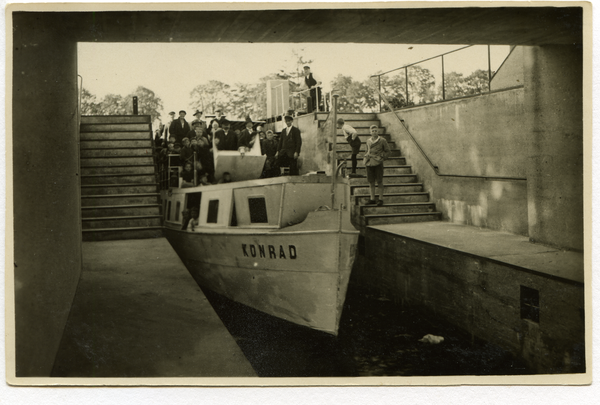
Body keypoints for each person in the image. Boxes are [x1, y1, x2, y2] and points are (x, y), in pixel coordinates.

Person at [363, 125, 390, 206]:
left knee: (379, 181)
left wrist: (381, 157)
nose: (374, 132)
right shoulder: (368, 141)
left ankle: (380, 199)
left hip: (378, 162)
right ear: (370, 132)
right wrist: (366, 157)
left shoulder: (382, 140)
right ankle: (372, 199)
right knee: (371, 181)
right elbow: (366, 151)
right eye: (372, 131)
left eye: (375, 130)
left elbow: (388, 151)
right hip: (369, 163)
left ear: (378, 131)